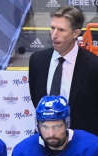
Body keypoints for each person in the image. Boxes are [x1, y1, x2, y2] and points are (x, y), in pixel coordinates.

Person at [29, 6, 98, 136]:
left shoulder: (93, 66)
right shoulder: (37, 61)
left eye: (61, 30)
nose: (54, 35)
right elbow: (36, 97)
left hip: (81, 142)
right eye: (52, 28)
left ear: (76, 33)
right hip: (45, 139)